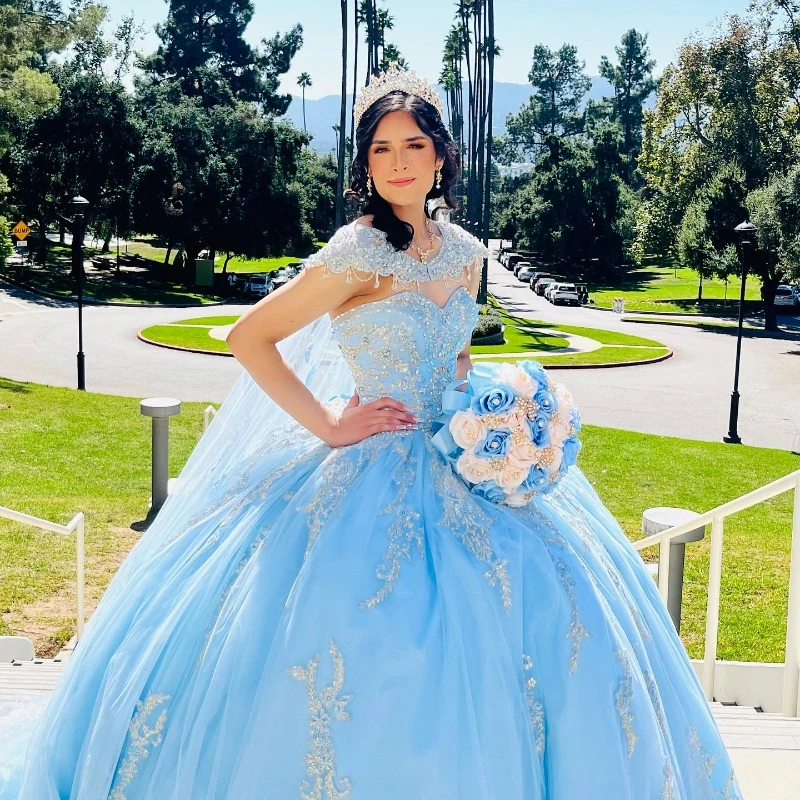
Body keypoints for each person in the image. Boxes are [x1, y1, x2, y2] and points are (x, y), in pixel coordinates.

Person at [1, 65, 743, 800]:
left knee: (562, 619)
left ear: (440, 155)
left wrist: (494, 413)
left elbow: (457, 354)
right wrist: (328, 422)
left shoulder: (467, 252)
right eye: (380, 150)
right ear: (364, 164)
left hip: (459, 460)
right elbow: (249, 336)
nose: (397, 164)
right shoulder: (358, 250)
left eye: (413, 145)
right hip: (371, 456)